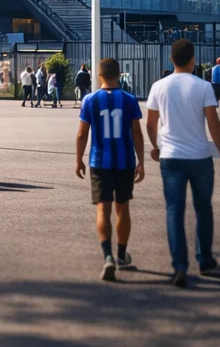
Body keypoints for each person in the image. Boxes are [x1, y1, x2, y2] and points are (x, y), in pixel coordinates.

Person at [145, 39, 220, 288]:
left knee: (174, 209)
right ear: (193, 60)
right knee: (203, 208)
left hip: (170, 157)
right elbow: (213, 124)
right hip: (200, 157)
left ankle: (180, 265)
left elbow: (151, 123)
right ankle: (204, 259)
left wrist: (155, 146)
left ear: (171, 60)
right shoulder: (203, 86)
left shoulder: (159, 87)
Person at [76, 57, 144, 282]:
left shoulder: (90, 100)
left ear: (99, 75)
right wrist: (141, 161)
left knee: (102, 210)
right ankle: (122, 255)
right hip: (124, 161)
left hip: (99, 161)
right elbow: (136, 133)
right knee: (122, 210)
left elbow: (82, 134)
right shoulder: (129, 99)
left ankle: (107, 257)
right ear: (119, 75)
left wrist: (79, 160)